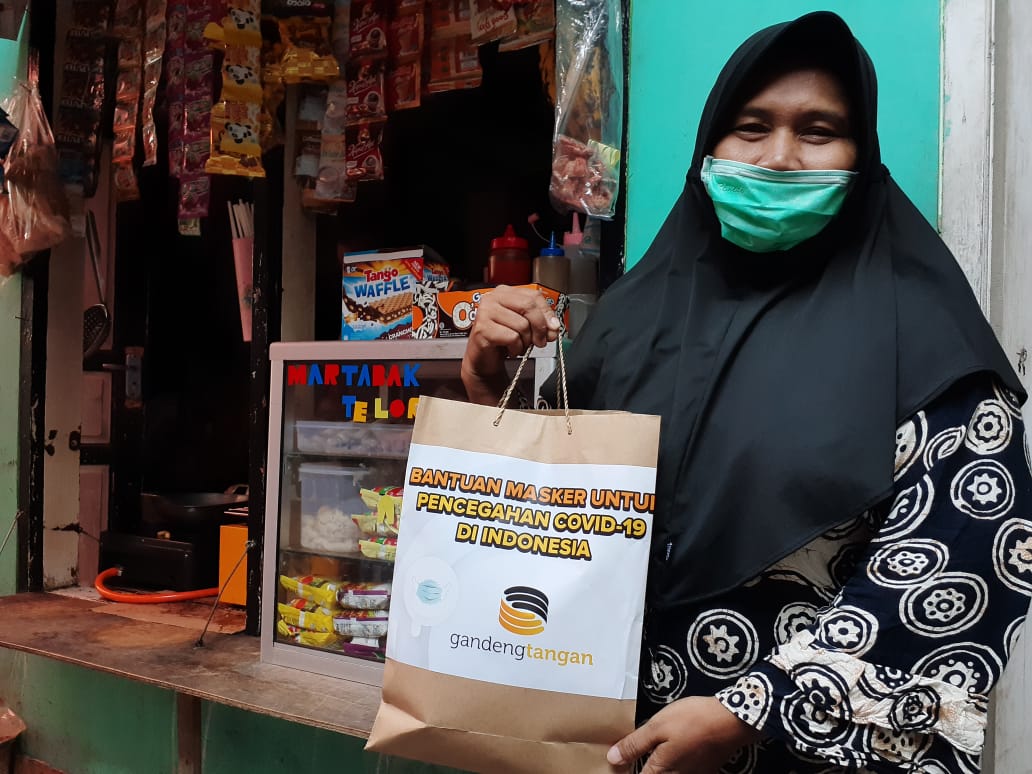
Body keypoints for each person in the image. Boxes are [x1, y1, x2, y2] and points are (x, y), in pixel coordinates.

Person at [460, 11, 1032, 774]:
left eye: (819, 130)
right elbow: (568, 505)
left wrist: (753, 708)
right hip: (613, 746)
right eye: (751, 127)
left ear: (862, 153)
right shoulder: (637, 313)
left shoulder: (922, 334)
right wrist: (491, 383)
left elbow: (969, 552)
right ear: (710, 146)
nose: (780, 158)